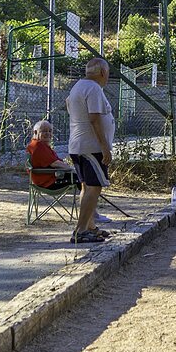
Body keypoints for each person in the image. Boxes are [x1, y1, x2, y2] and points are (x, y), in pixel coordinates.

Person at [66, 58, 115, 244]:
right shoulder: (93, 89)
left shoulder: (79, 86)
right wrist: (104, 147)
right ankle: (80, 230)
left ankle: (90, 226)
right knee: (94, 187)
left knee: (87, 187)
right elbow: (94, 119)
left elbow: (69, 104)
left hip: (78, 145)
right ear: (103, 72)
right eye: (108, 72)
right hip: (90, 146)